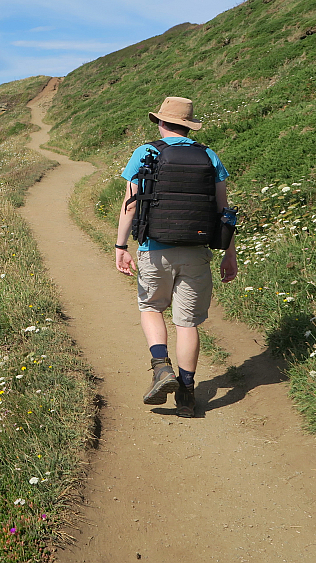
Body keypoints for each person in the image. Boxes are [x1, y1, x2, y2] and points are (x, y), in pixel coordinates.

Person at [114, 96, 238, 418]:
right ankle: (186, 394)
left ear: (160, 122)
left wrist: (120, 246)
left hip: (154, 250)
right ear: (188, 125)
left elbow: (130, 204)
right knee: (187, 323)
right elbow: (223, 211)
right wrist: (229, 254)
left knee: (151, 307)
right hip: (196, 253)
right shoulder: (209, 155)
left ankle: (161, 368)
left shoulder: (146, 152)